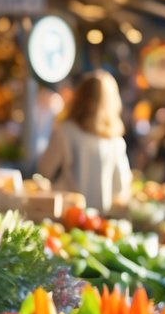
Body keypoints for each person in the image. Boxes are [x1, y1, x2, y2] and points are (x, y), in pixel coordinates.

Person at [36, 70, 132, 213]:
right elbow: (121, 188)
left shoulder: (65, 131)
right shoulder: (115, 141)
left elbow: (44, 170)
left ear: (79, 97)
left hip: (66, 214)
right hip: (101, 220)